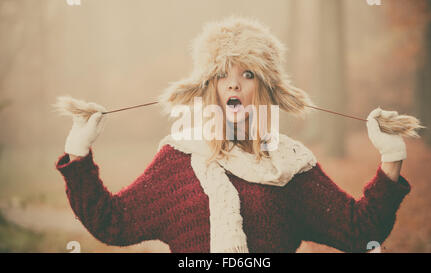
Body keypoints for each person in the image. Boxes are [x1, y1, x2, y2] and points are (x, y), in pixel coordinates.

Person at [55, 16, 411, 253]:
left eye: (248, 74)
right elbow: (113, 222)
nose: (234, 84)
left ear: (266, 86)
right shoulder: (178, 158)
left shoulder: (291, 165)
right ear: (210, 85)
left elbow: (360, 232)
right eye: (223, 74)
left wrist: (390, 159)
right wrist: (79, 153)